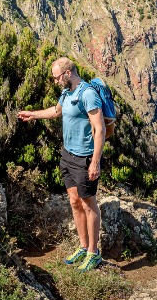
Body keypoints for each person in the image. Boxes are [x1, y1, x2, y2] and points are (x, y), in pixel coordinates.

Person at [17, 57, 106, 271]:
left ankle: (94, 253)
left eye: (56, 77)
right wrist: (33, 115)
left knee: (88, 203)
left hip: (84, 158)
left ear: (68, 73)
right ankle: (83, 247)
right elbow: (57, 111)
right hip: (67, 155)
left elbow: (100, 129)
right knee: (75, 201)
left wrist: (95, 162)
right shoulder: (67, 92)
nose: (55, 81)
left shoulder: (87, 94)